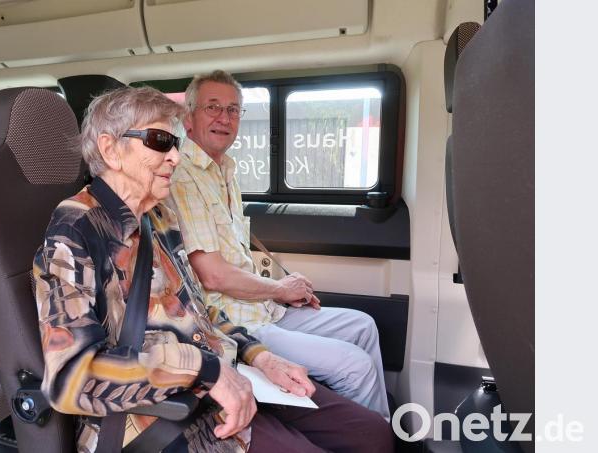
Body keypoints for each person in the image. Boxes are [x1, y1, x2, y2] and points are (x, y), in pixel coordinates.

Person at [33, 86, 392, 452]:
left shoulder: (158, 218)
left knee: (372, 433)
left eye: (175, 142)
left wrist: (260, 355)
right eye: (159, 141)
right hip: (159, 418)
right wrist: (205, 369)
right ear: (110, 149)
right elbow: (70, 378)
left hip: (220, 381)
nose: (174, 156)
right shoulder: (75, 230)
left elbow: (200, 314)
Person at [165, 70, 390, 420]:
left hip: (263, 309)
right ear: (189, 116)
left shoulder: (224, 170)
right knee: (355, 367)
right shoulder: (183, 176)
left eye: (234, 109)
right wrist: (280, 288)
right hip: (236, 324)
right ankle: (370, 435)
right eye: (213, 107)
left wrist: (279, 291)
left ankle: (375, 429)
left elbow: (236, 257)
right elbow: (213, 276)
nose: (225, 118)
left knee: (363, 326)